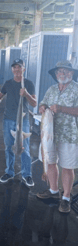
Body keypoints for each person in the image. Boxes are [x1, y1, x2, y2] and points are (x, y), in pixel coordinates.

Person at [36, 60, 78, 213]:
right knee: (50, 162)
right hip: (49, 134)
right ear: (55, 74)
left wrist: (62, 109)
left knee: (67, 167)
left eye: (66, 71)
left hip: (69, 135)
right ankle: (53, 191)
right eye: (59, 71)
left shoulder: (76, 89)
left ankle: (66, 198)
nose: (62, 74)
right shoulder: (52, 89)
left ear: (71, 73)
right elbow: (43, 103)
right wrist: (42, 106)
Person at [0, 59, 37, 187]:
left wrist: (26, 93)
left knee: (25, 149)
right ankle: (9, 172)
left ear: (24, 69)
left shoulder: (28, 83)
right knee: (9, 146)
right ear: (12, 69)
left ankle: (27, 174)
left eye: (19, 67)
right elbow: (0, 96)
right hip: (8, 119)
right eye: (14, 67)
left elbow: (34, 103)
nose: (17, 69)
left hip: (23, 120)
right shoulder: (7, 83)